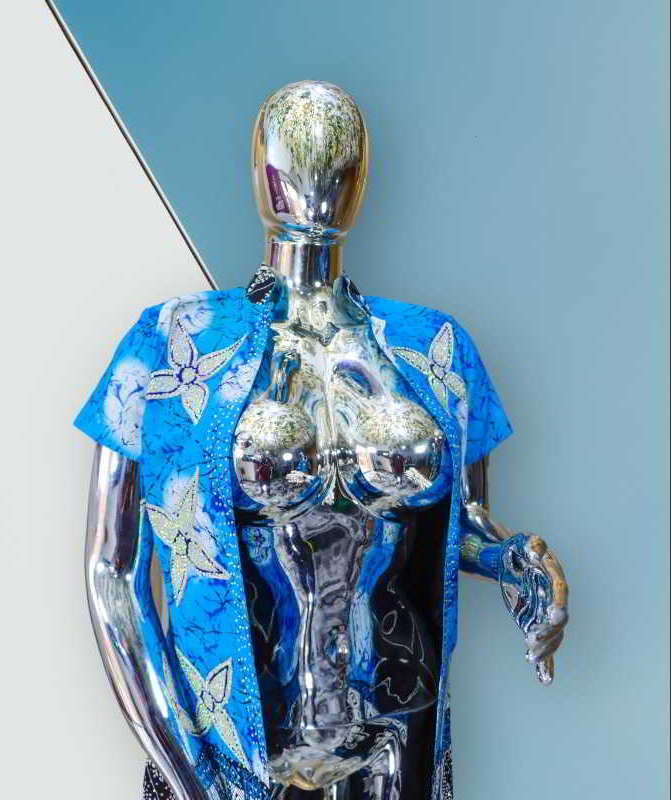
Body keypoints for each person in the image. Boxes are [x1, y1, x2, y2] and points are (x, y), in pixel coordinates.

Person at [76, 80, 568, 800]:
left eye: (340, 161)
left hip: (394, 743)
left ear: (362, 176)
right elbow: (111, 571)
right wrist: (183, 772)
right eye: (297, 157)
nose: (317, 181)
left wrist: (516, 560)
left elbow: (457, 524)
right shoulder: (175, 342)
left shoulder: (432, 347)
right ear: (261, 173)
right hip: (240, 751)